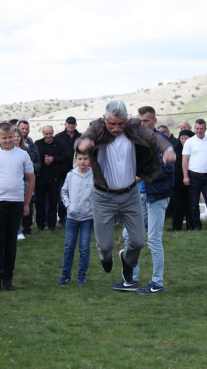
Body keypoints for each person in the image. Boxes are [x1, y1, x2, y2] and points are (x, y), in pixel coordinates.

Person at [75, 100, 175, 284]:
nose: (116, 128)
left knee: (138, 242)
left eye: (120, 123)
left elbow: (154, 138)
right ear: (105, 119)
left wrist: (167, 148)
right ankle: (105, 257)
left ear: (126, 119)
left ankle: (127, 262)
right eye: (112, 123)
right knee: (105, 246)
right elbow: (84, 137)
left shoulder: (134, 127)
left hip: (130, 195)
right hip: (103, 197)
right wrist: (83, 142)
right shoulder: (97, 127)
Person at [110, 106, 174, 294]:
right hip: (140, 196)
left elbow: (168, 170)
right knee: (130, 237)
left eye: (146, 121)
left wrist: (141, 175)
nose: (142, 124)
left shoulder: (162, 142)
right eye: (140, 121)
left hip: (156, 197)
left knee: (154, 239)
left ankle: (157, 283)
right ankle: (132, 280)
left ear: (154, 121)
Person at [0, 122, 35, 293]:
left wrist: (26, 203)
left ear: (16, 136)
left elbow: (31, 180)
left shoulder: (23, 155)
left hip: (16, 202)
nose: (8, 141)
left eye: (11, 137)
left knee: (11, 243)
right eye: (4, 138)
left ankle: (7, 279)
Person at [57, 148, 93, 287]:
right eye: (80, 159)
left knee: (84, 248)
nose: (83, 161)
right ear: (75, 160)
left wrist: (93, 210)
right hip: (72, 217)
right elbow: (63, 191)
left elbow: (98, 196)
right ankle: (65, 276)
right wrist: (68, 206)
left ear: (89, 160)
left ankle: (82, 275)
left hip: (87, 218)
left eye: (85, 159)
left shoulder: (94, 176)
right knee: (69, 247)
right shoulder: (70, 175)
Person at [35, 125, 70, 231]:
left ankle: (52, 224)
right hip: (40, 177)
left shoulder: (60, 144)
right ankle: (40, 224)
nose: (48, 136)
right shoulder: (38, 144)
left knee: (53, 202)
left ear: (53, 133)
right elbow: (34, 158)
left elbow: (66, 158)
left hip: (54, 177)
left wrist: (53, 159)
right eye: (46, 134)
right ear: (43, 134)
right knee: (39, 202)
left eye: (50, 133)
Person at [13, 128, 40, 240]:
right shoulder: (7, 150)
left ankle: (26, 228)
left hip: (24, 181)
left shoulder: (26, 150)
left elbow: (30, 166)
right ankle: (17, 229)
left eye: (18, 136)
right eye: (14, 136)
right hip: (13, 182)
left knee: (26, 205)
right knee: (15, 206)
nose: (16, 138)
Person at [55, 117, 81, 226]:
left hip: (78, 171)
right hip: (62, 172)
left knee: (78, 195)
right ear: (65, 124)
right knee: (62, 196)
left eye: (73, 124)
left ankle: (77, 216)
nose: (71, 125)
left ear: (75, 125)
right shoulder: (58, 137)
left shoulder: (81, 137)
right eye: (69, 123)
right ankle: (62, 218)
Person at [172, 130, 195, 231]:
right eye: (182, 138)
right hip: (178, 180)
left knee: (191, 202)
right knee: (178, 203)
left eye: (186, 138)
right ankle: (177, 226)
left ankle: (191, 225)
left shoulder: (194, 148)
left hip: (192, 177)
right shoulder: (175, 149)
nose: (183, 141)